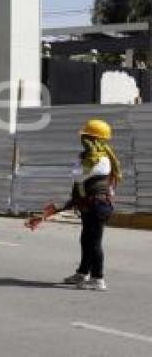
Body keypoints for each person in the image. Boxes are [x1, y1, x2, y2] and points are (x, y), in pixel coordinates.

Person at [62, 119, 122, 291]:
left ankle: (98, 278)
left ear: (97, 140)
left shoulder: (102, 159)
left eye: (88, 137)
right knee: (86, 239)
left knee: (94, 242)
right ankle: (82, 273)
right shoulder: (87, 157)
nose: (85, 140)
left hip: (98, 204)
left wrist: (79, 166)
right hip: (90, 203)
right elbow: (77, 174)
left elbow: (78, 176)